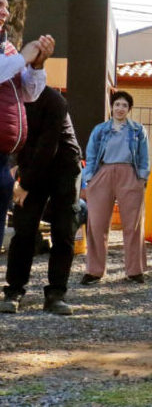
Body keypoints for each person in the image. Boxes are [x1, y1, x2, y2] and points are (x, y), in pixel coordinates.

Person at [0, 84, 80, 314]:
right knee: (24, 230)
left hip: (64, 166)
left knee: (63, 231)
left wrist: (24, 184)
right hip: (32, 165)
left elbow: (48, 146)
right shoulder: (10, 97)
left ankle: (56, 294)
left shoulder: (55, 101)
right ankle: (14, 290)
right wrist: (13, 169)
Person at [0, 0, 51, 255]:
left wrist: (37, 65)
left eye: (6, 6)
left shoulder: (7, 49)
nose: (5, 12)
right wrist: (23, 57)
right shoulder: (12, 56)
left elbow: (30, 93)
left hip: (3, 159)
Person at [82, 91, 150, 285]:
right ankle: (94, 271)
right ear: (111, 107)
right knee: (97, 223)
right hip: (102, 173)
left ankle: (134, 270)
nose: (120, 108)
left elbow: (144, 155)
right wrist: (90, 178)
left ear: (129, 109)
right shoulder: (100, 130)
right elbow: (91, 154)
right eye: (117, 104)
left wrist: (141, 178)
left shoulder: (138, 130)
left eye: (125, 105)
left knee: (133, 224)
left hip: (130, 174)